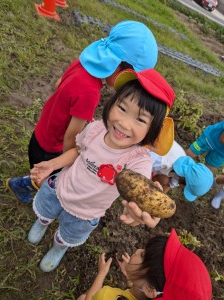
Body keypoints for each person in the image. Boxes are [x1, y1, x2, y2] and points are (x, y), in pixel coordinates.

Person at [28, 68, 175, 272]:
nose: (123, 123)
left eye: (140, 119)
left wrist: (140, 209)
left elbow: (141, 188)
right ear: (112, 103)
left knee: (68, 234)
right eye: (122, 108)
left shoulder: (138, 160)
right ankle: (42, 222)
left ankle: (58, 246)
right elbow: (78, 151)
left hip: (85, 213)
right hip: (59, 188)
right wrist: (53, 164)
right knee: (46, 211)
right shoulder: (96, 129)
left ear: (153, 129)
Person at [6, 19, 158, 205]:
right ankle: (22, 186)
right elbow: (72, 136)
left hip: (42, 132)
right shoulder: (90, 93)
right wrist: (72, 163)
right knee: (49, 178)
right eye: (129, 79)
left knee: (40, 169)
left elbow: (58, 84)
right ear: (119, 65)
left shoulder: (84, 62)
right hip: (53, 148)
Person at [77, 228, 212, 300]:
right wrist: (132, 279)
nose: (138, 250)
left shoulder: (106, 295)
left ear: (149, 290)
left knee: (83, 297)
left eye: (142, 256)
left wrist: (101, 274)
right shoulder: (151, 293)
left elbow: (91, 297)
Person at [149, 142, 213, 201]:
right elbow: (142, 164)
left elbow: (169, 185)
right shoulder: (163, 162)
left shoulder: (184, 166)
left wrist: (157, 199)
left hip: (154, 164)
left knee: (165, 180)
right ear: (183, 180)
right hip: (146, 152)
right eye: (183, 189)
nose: (180, 188)